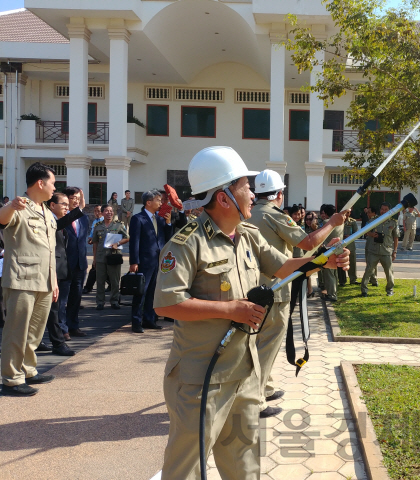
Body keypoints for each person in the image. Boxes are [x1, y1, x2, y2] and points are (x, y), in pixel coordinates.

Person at [153, 146, 349, 480]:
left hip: (244, 372)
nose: (251, 193)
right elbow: (166, 303)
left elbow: (284, 266)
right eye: (245, 186)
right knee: (186, 467)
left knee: (244, 465)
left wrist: (322, 261)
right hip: (201, 379)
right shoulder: (187, 244)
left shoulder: (247, 235)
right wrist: (231, 309)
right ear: (224, 197)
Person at [246, 170, 347, 418]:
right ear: (279, 194)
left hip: (251, 287)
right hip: (275, 289)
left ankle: (266, 386)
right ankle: (255, 400)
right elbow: (308, 242)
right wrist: (332, 224)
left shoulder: (249, 214)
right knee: (267, 344)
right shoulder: (273, 215)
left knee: (259, 342)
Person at [0, 162, 58, 396]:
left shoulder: (46, 212)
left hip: (44, 279)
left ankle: (28, 369)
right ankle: (12, 378)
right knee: (17, 330)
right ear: (40, 183)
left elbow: (50, 250)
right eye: (53, 183)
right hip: (22, 279)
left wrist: (53, 281)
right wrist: (10, 206)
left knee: (35, 330)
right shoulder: (18, 206)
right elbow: (2, 220)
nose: (55, 188)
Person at [128, 189, 172, 333]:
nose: (161, 203)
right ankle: (136, 321)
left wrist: (168, 223)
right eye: (158, 200)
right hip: (144, 261)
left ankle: (149, 319)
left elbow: (166, 237)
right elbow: (135, 241)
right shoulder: (138, 218)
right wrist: (134, 261)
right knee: (141, 292)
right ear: (148, 202)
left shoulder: (159, 219)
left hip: (158, 260)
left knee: (153, 292)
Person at [45, 192, 80, 357]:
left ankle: (38, 341)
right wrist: (78, 209)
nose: (68, 207)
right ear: (52, 205)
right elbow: (58, 225)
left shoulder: (55, 220)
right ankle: (58, 343)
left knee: (54, 308)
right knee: (53, 309)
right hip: (50, 271)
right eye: (64, 204)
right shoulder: (49, 220)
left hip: (61, 269)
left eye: (69, 204)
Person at [61, 187, 88, 337]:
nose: (77, 201)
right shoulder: (61, 217)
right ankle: (63, 328)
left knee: (76, 298)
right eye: (73, 198)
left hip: (80, 263)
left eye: (78, 198)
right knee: (63, 299)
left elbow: (82, 241)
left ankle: (73, 325)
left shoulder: (83, 218)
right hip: (65, 264)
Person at [93, 205, 129, 311]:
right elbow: (95, 242)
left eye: (111, 211)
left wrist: (117, 243)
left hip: (114, 256)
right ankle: (100, 302)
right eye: (107, 211)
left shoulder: (118, 225)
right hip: (100, 257)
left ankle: (114, 301)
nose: (109, 213)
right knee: (100, 281)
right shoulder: (98, 226)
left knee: (115, 280)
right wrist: (94, 259)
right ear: (102, 213)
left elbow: (127, 237)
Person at [361, 202, 398, 297]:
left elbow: (396, 237)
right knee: (368, 270)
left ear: (389, 210)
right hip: (374, 250)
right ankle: (364, 290)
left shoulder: (393, 222)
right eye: (382, 209)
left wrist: (395, 251)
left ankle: (390, 289)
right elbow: (364, 231)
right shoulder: (373, 220)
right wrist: (371, 234)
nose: (383, 211)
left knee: (389, 272)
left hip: (386, 251)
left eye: (386, 209)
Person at [318, 204, 344, 302]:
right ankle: (334, 291)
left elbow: (319, 233)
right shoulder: (340, 222)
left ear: (326, 213)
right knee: (334, 272)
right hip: (338, 248)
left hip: (329, 250)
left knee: (328, 273)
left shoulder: (326, 222)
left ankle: (331, 295)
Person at [83, 204, 104, 295]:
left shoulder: (105, 221)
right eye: (95, 211)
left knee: (95, 268)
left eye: (99, 211)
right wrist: (91, 238)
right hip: (97, 247)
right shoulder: (95, 221)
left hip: (104, 248)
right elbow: (92, 234)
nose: (97, 213)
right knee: (98, 267)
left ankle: (88, 287)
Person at [338, 209, 359, 286]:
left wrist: (350, 236)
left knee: (352, 263)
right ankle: (342, 281)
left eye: (348, 213)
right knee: (341, 262)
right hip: (340, 245)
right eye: (345, 213)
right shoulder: (338, 220)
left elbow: (356, 233)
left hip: (350, 245)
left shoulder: (352, 222)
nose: (347, 215)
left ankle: (353, 279)